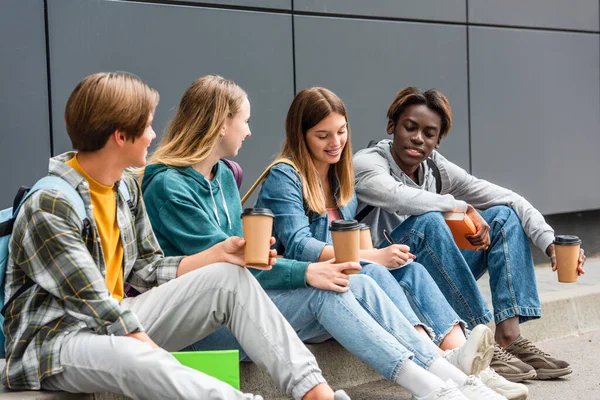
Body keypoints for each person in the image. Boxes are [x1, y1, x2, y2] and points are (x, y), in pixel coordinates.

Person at [142, 75, 507, 400]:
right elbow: (234, 267)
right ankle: (432, 387)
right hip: (204, 324)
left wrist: (354, 260)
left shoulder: (222, 175)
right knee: (333, 290)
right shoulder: (169, 187)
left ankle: (446, 375)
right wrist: (308, 272)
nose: (249, 132)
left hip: (250, 302)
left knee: (357, 284)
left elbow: (247, 260)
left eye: (341, 131)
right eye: (245, 121)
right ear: (221, 125)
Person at [1, 72, 350, 400]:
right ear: (120, 136)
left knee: (229, 277)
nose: (154, 136)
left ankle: (314, 392)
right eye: (147, 126)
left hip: (116, 315)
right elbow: (91, 300)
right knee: (133, 355)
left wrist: (220, 254)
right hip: (55, 340)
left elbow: (147, 269)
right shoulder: (52, 203)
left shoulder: (123, 187)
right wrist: (144, 343)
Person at [254, 86, 527, 400]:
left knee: (410, 271)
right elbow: (301, 247)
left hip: (338, 277)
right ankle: (439, 365)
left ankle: (466, 367)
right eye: (323, 135)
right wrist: (372, 256)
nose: (336, 143)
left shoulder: (340, 178)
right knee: (375, 271)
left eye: (341, 131)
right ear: (301, 135)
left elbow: (354, 238)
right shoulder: (285, 176)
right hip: (299, 288)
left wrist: (373, 255)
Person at [353, 86, 584, 383]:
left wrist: (549, 241)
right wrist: (459, 206)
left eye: (428, 133)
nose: (417, 138)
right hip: (387, 276)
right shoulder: (367, 163)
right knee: (430, 222)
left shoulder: (435, 168)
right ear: (392, 126)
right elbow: (398, 197)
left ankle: (509, 338)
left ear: (437, 140)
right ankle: (479, 340)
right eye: (410, 127)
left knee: (503, 216)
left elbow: (508, 197)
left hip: (427, 271)